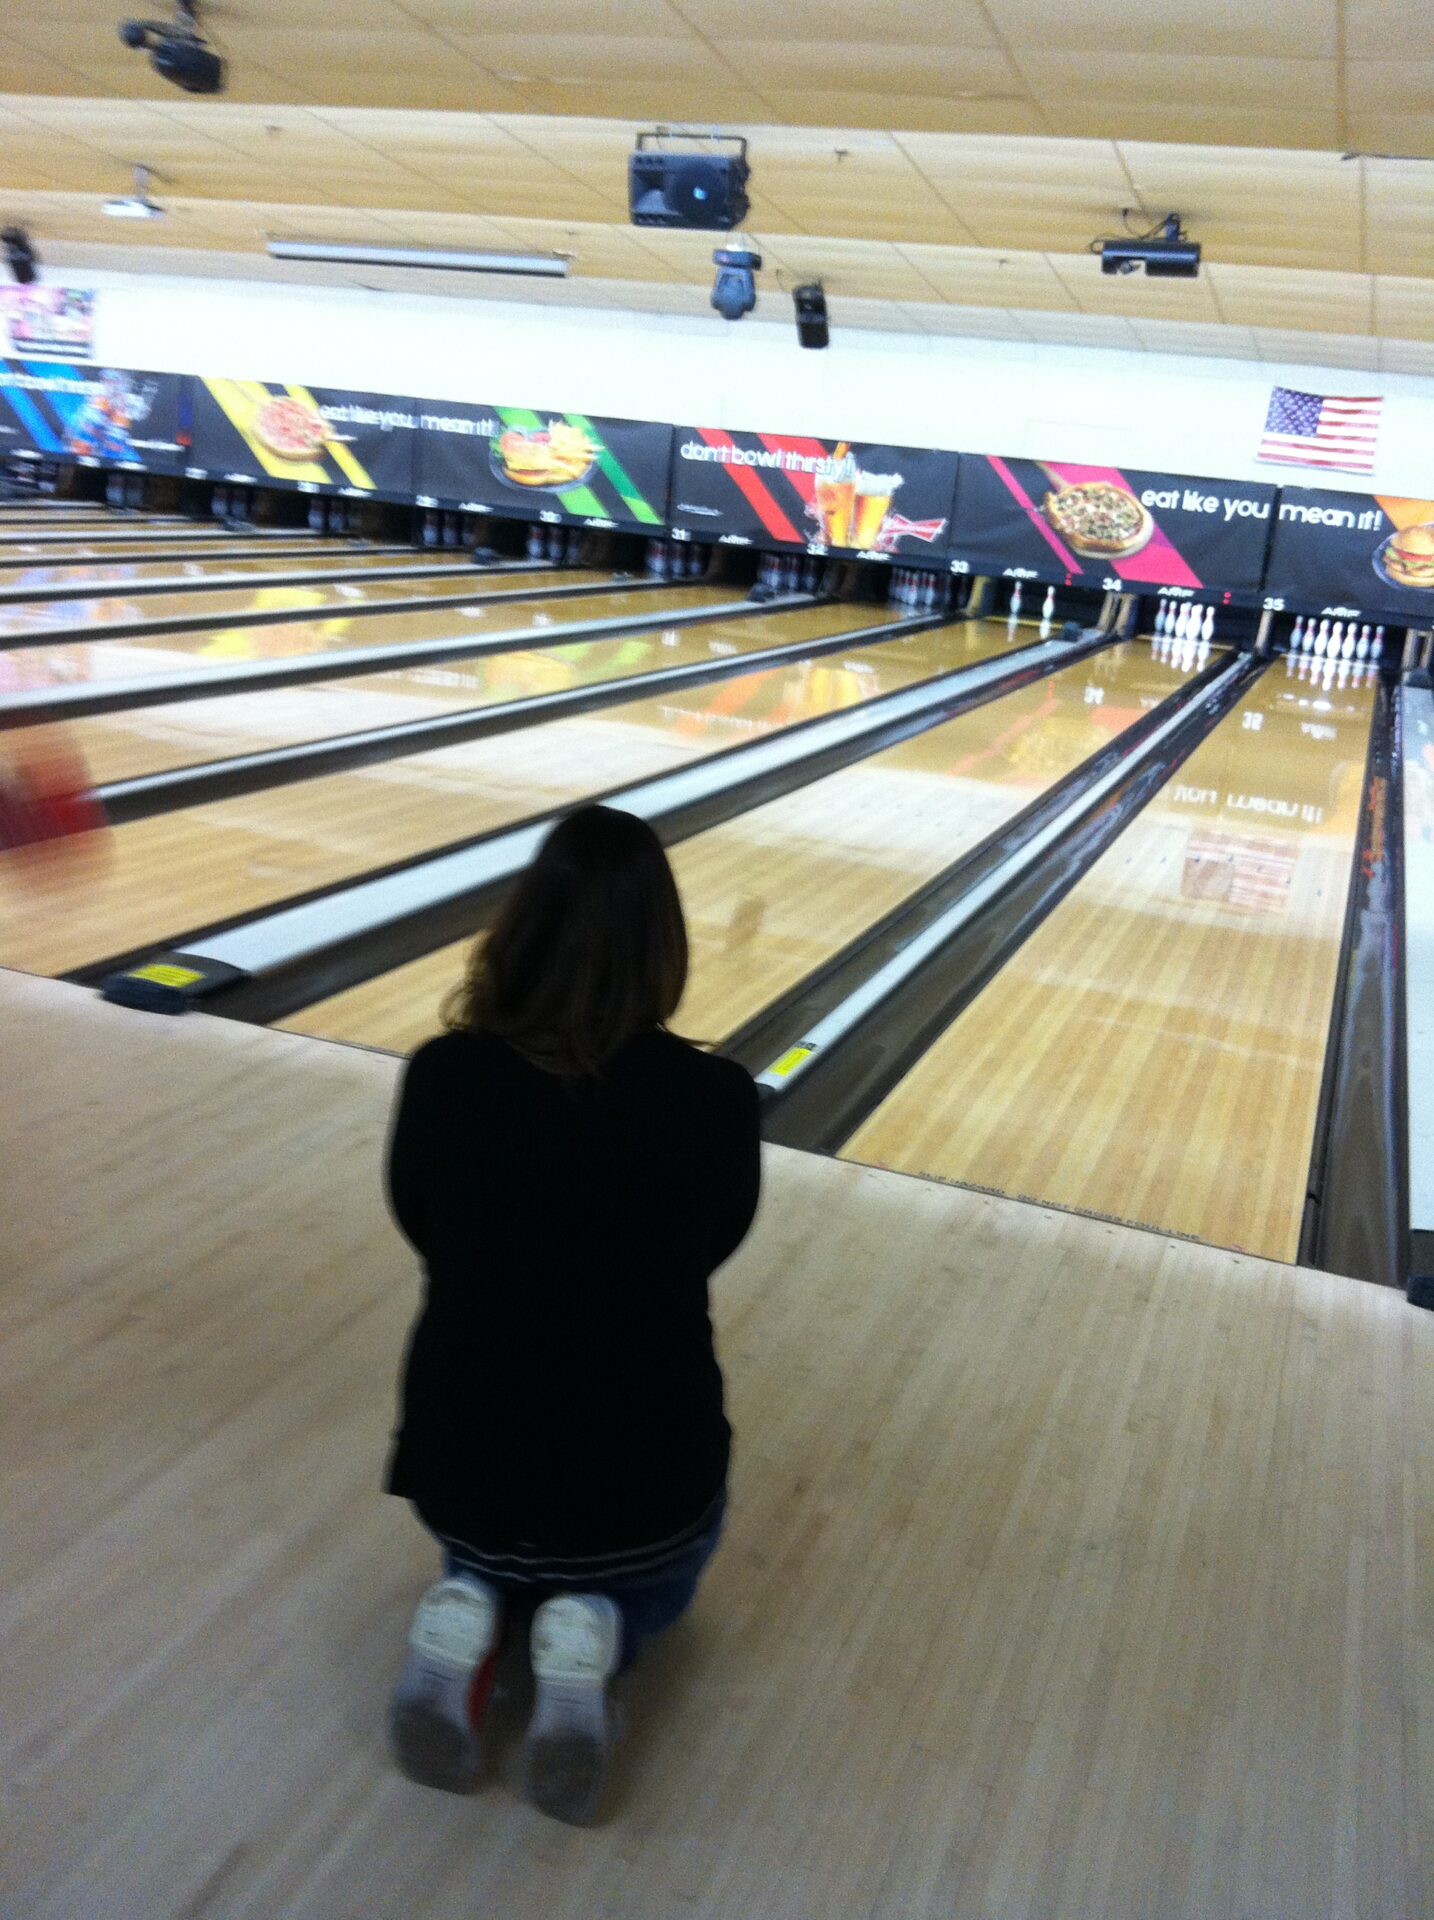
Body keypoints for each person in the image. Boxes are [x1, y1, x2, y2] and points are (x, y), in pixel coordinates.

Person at [383, 804, 762, 1826]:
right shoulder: (718, 1100)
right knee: (655, 1573)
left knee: (497, 1543)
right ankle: (599, 1630)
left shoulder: (440, 1076)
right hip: (647, 1489)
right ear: (664, 952)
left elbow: (425, 1224)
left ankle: (470, 1610)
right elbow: (712, 1242)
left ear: (520, 929)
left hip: (463, 1476)